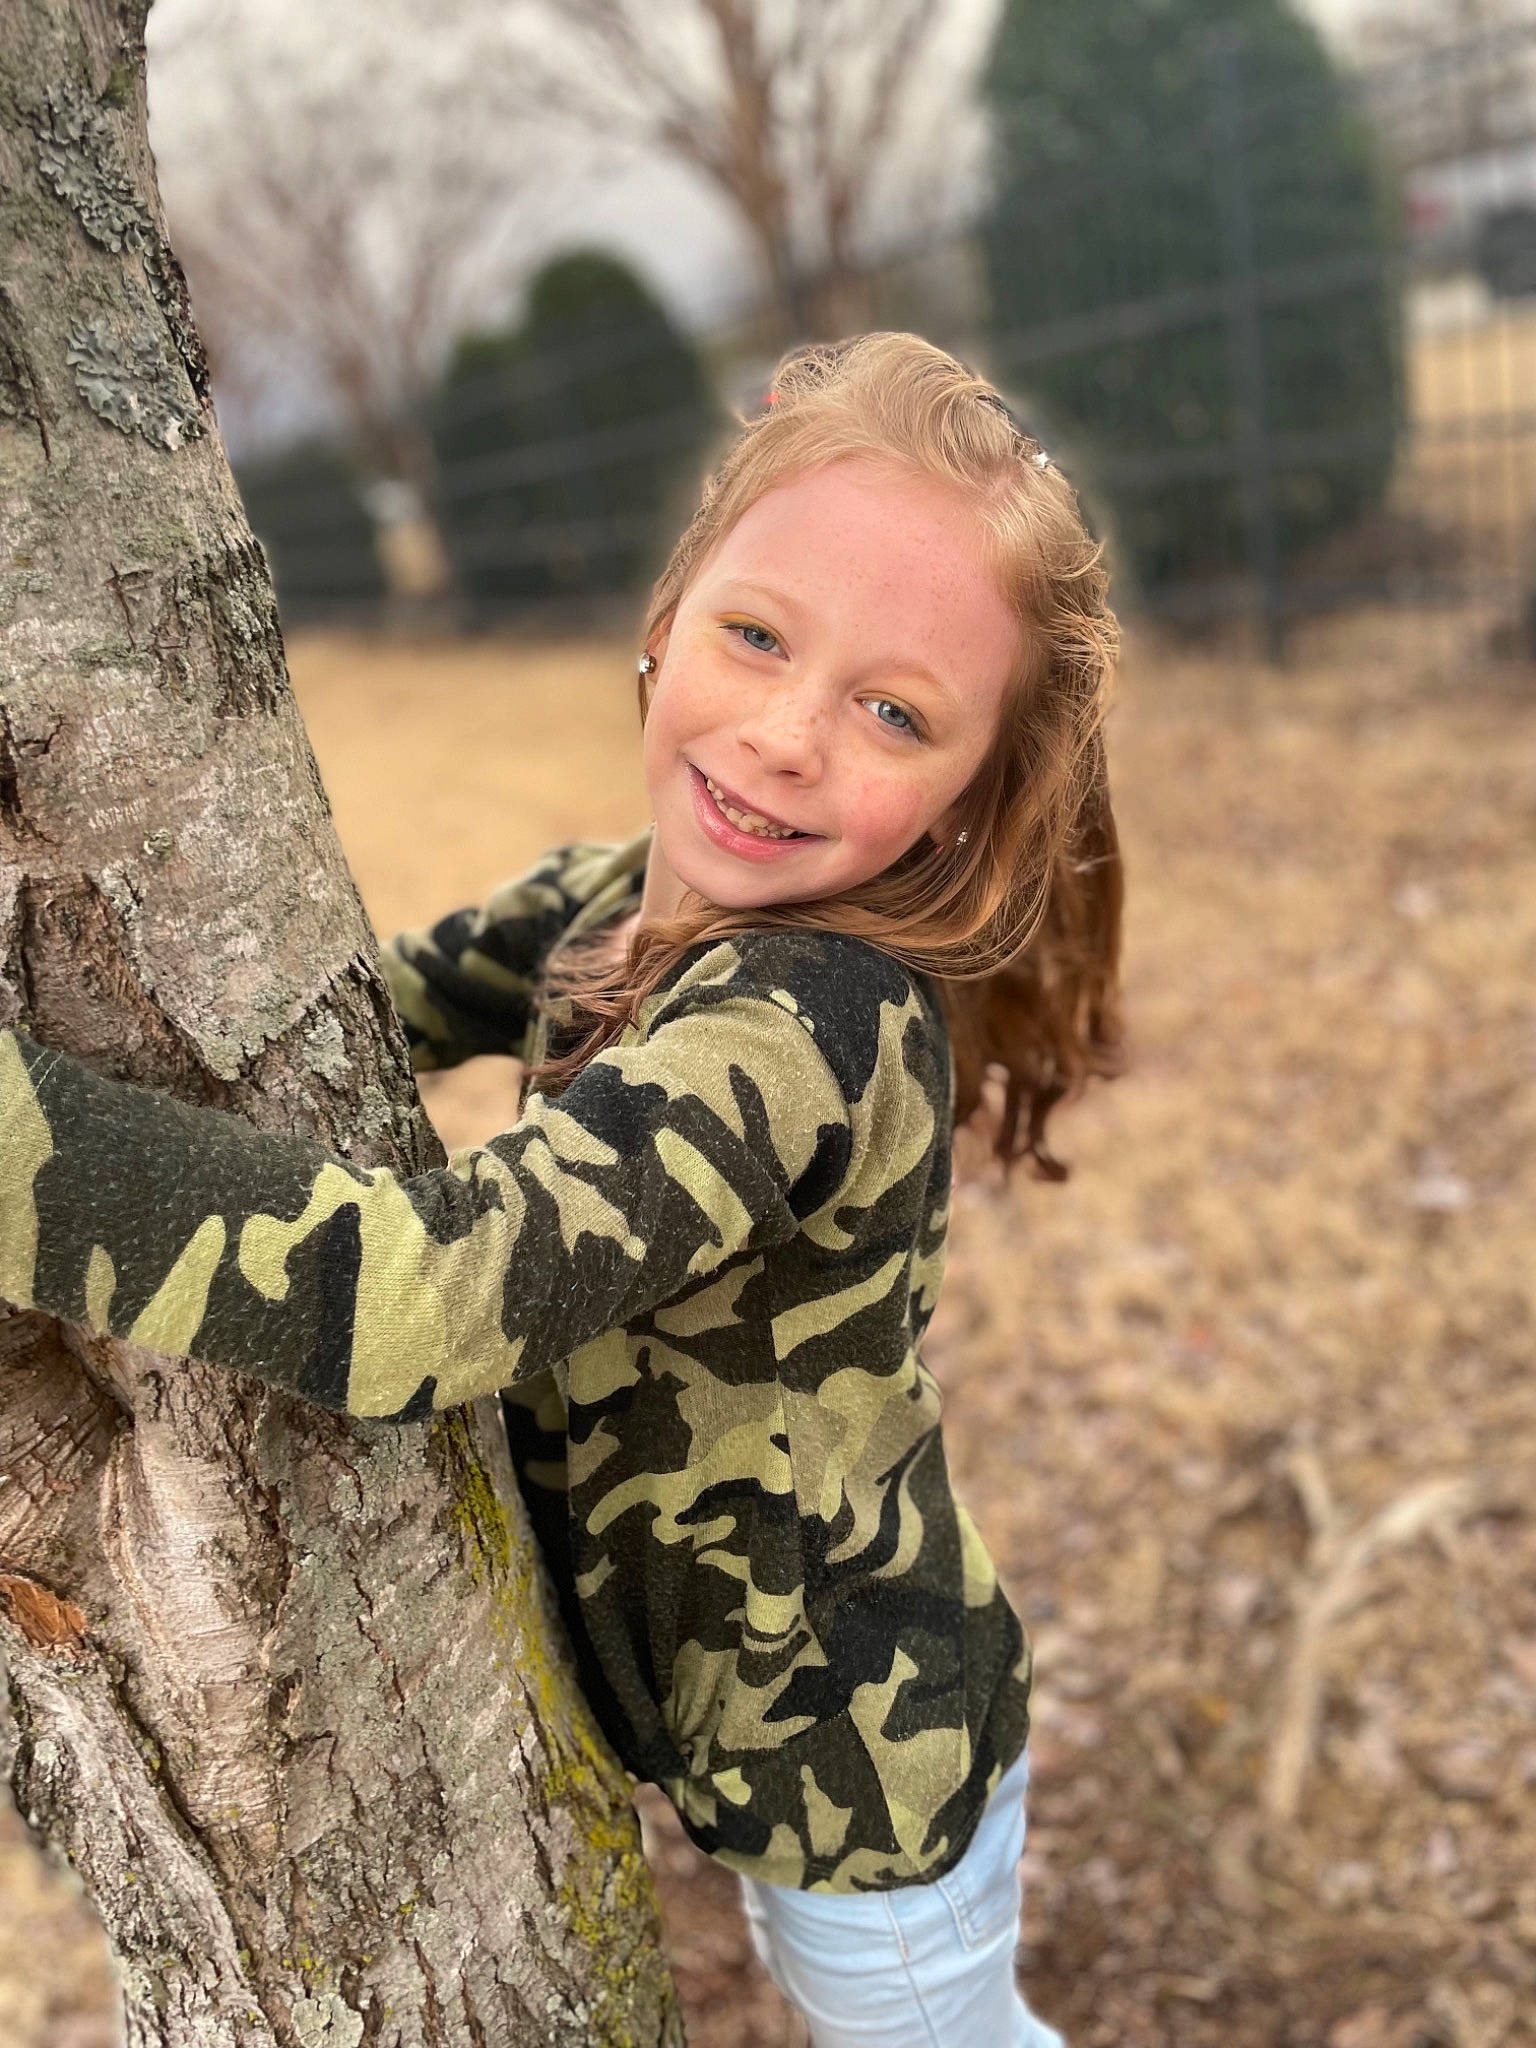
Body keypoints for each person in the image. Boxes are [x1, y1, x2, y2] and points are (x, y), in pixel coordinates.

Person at [0, 332, 1122, 2046]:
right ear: (672, 609)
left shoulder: (810, 1028)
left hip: (862, 1784)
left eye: (897, 712)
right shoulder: (614, 897)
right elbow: (347, 1010)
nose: (788, 734)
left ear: (972, 793)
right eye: (759, 636)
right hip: (744, 1723)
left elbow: (419, 1297)